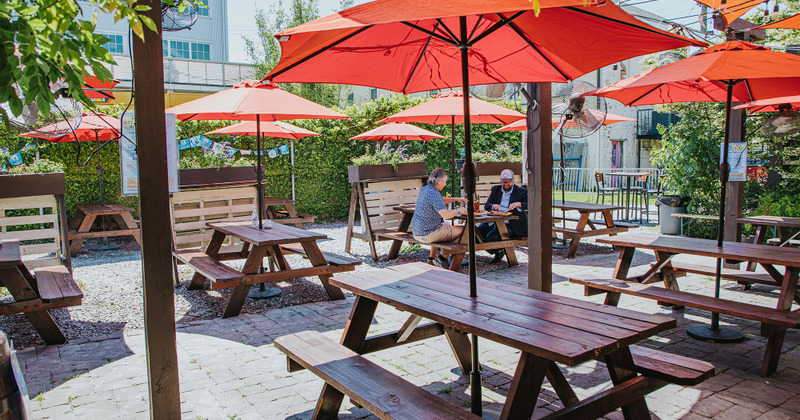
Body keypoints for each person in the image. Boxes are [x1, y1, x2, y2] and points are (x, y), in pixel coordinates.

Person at [412, 168, 467, 267]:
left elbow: (439, 200)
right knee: (466, 231)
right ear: (440, 181)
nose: (445, 184)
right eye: (445, 181)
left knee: (443, 225)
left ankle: (431, 258)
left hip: (417, 232)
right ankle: (444, 257)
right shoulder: (434, 193)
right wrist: (460, 210)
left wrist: (456, 199)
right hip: (428, 234)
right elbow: (446, 215)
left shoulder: (424, 189)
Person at [477, 169, 528, 263]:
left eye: (508, 182)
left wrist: (519, 204)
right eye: (504, 182)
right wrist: (493, 206)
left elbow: (531, 204)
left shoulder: (521, 192)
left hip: (512, 224)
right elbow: (487, 205)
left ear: (513, 180)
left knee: (491, 237)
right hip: (495, 221)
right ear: (500, 181)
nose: (506, 184)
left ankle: (500, 251)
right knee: (477, 233)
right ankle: (499, 251)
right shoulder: (496, 189)